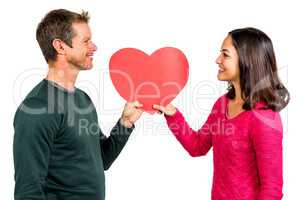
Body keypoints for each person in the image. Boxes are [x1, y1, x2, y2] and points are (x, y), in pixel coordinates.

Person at [13, 9, 143, 200]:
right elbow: (28, 192)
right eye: (86, 41)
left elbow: (102, 159)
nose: (94, 47)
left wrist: (125, 123)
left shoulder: (83, 99)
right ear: (60, 46)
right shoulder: (36, 108)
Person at [153, 27, 290, 200]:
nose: (217, 60)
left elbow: (272, 189)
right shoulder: (222, 104)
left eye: (225, 54)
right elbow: (197, 146)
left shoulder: (265, 118)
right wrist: (172, 114)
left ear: (247, 60)